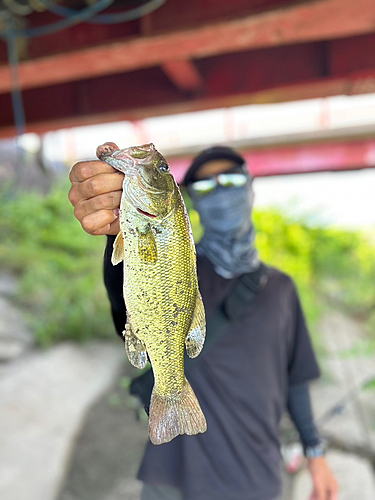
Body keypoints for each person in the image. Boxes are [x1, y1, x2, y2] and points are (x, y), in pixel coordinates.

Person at [69, 145, 339, 500]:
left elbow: (296, 381)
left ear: (250, 186)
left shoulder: (282, 290)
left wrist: (316, 454)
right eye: (205, 186)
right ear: (190, 201)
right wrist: (115, 235)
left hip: (257, 475)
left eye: (229, 179)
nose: (220, 191)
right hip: (172, 474)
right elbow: (125, 307)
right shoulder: (183, 265)